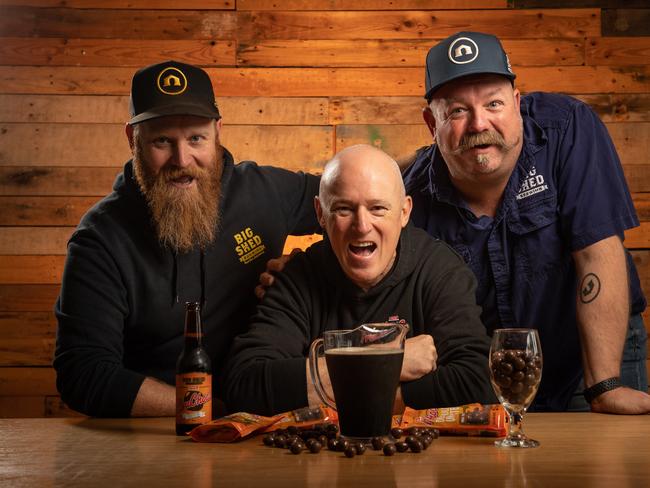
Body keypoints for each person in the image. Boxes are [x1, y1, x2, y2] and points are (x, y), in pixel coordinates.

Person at [53, 60, 320, 417]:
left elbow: (355, 203)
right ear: (133, 140)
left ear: (217, 132)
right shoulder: (100, 239)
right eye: (163, 140)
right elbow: (83, 373)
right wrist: (211, 411)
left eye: (196, 138)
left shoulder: (266, 191)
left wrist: (309, 270)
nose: (182, 159)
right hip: (158, 438)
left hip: (268, 420)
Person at [402, 31, 649, 413]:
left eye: (494, 103)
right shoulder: (410, 197)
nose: (478, 124)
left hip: (594, 347)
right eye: (457, 111)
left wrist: (604, 384)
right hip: (490, 375)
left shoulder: (567, 129)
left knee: (609, 465)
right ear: (431, 124)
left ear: (517, 104)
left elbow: (597, 252)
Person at [224, 144, 496, 416]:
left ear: (404, 212)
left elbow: (477, 382)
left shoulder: (440, 271)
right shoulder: (298, 276)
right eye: (344, 209)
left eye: (378, 208)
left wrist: (339, 391)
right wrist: (391, 359)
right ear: (320, 213)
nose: (362, 226)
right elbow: (245, 385)